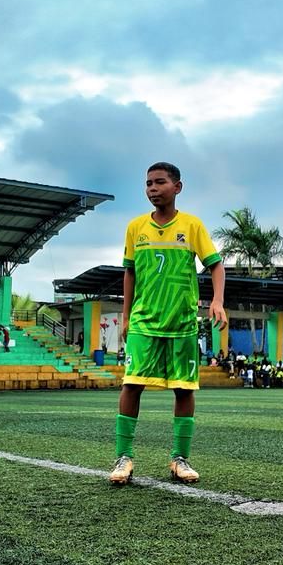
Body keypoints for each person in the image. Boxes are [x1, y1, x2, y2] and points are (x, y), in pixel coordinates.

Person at [110, 162, 226, 486]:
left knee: (184, 388)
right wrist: (126, 315)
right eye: (148, 183)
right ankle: (123, 457)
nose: (152, 188)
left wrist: (217, 301)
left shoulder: (192, 225)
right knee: (131, 384)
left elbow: (216, 266)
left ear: (177, 187)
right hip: (144, 321)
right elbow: (130, 272)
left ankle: (180, 459)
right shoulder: (135, 227)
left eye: (159, 182)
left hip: (182, 322)